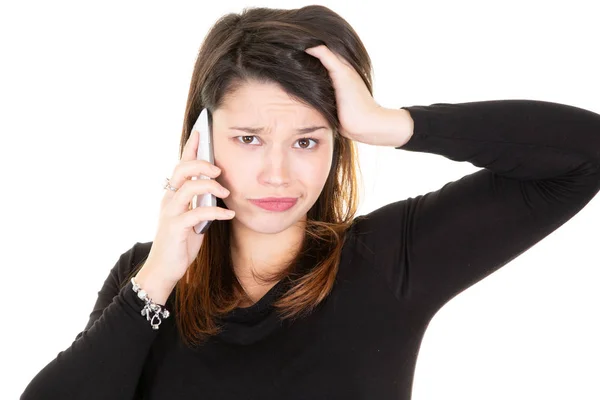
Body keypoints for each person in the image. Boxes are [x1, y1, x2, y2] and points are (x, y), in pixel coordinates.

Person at [21, 5, 600, 400]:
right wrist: (158, 278)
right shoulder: (147, 281)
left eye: (306, 141)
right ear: (201, 136)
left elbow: (585, 154)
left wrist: (392, 123)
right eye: (249, 139)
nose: (277, 174)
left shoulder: (388, 262)